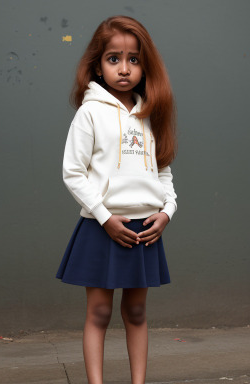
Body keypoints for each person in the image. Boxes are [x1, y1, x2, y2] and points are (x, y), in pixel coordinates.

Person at [56, 15, 178, 384]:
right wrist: (105, 217)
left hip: (145, 230)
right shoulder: (90, 113)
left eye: (134, 59)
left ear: (145, 65)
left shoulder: (150, 114)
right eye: (114, 59)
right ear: (97, 64)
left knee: (137, 311)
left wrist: (167, 211)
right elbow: (73, 173)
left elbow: (164, 174)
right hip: (102, 226)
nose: (124, 69)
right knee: (98, 313)